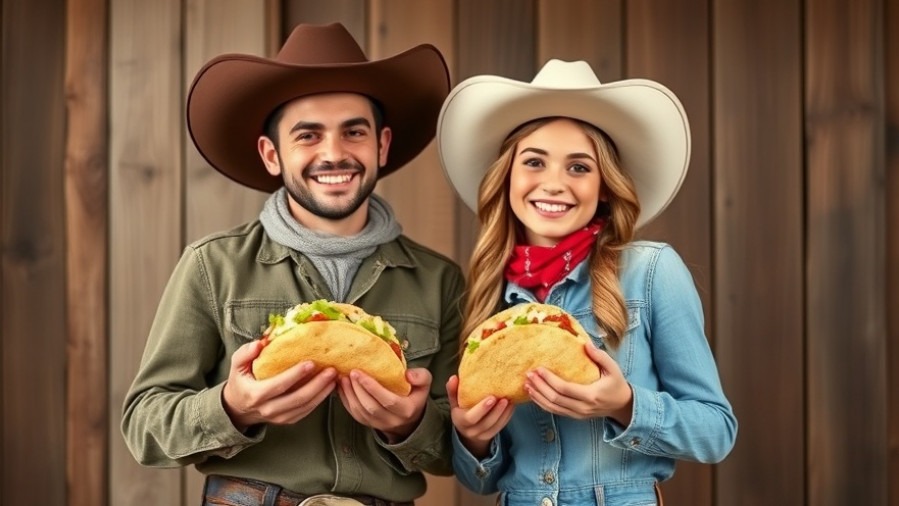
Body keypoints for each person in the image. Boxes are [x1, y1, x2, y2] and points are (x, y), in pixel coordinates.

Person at [121, 23, 465, 506]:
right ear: (272, 154)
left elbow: (459, 451)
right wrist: (233, 407)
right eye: (308, 135)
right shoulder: (212, 266)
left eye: (354, 131)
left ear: (381, 146)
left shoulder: (439, 280)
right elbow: (144, 425)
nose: (334, 153)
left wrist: (411, 424)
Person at [436, 59, 737, 506]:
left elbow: (716, 432)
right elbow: (480, 481)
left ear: (605, 187)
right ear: (508, 176)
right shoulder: (486, 295)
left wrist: (624, 404)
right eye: (534, 162)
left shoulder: (651, 272)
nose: (554, 183)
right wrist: (472, 438)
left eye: (578, 167)